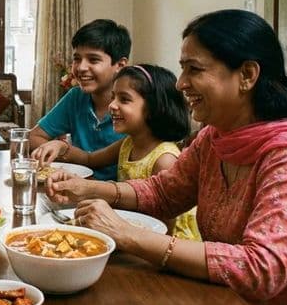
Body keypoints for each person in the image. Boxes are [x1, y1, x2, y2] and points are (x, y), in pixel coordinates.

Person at [46, 9, 287, 305]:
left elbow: (260, 269)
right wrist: (89, 189)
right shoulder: (215, 138)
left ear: (247, 75)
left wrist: (129, 236)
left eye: (194, 69)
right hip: (219, 301)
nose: (180, 83)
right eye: (182, 69)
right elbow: (165, 192)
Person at [40, 64, 199, 240]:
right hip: (131, 234)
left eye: (124, 99)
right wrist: (61, 147)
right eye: (113, 97)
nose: (112, 105)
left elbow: (164, 231)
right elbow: (89, 159)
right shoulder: (128, 143)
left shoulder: (165, 159)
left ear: (155, 107)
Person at [29, 19, 130, 181]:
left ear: (120, 65)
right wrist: (56, 149)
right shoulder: (76, 97)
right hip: (74, 190)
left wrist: (65, 150)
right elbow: (34, 136)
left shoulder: (134, 107)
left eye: (93, 60)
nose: (81, 68)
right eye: (77, 59)